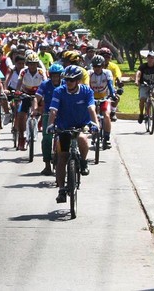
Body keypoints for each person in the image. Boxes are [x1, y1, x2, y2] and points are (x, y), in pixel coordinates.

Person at [46, 65, 99, 203]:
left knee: (82, 138)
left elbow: (91, 108)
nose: (68, 82)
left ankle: (83, 161)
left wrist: (95, 124)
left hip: (82, 125)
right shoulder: (59, 91)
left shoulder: (87, 91)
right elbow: (53, 110)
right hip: (64, 126)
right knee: (62, 158)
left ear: (78, 81)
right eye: (67, 80)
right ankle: (62, 189)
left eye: (72, 80)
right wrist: (50, 125)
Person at [14, 52, 48, 151]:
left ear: (37, 64)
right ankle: (22, 137)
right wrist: (17, 92)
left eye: (34, 63)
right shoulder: (23, 71)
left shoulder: (41, 71)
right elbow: (19, 83)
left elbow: (45, 83)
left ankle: (39, 121)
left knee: (44, 108)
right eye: (30, 63)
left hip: (38, 93)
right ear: (27, 64)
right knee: (21, 115)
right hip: (26, 93)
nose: (32, 66)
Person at [35, 63, 64, 175]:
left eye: (58, 76)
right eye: (53, 75)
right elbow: (36, 98)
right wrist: (35, 108)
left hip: (63, 114)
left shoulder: (66, 85)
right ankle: (47, 165)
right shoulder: (44, 84)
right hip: (48, 114)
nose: (55, 78)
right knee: (46, 139)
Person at [88, 55, 116, 149]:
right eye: (95, 66)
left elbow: (110, 84)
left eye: (99, 66)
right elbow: (87, 86)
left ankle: (107, 138)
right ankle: (92, 130)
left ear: (103, 66)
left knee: (106, 115)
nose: (97, 68)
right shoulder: (90, 73)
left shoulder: (107, 73)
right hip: (92, 97)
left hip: (105, 96)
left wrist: (113, 94)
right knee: (91, 114)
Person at [135, 51, 154, 123]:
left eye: (152, 58)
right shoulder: (143, 66)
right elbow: (138, 72)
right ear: (147, 58)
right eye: (149, 58)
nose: (150, 60)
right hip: (144, 85)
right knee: (142, 99)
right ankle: (141, 114)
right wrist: (137, 80)